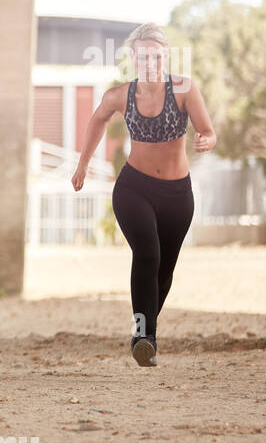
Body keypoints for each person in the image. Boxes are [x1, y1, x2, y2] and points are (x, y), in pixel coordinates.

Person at [72, 22, 217, 366]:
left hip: (177, 194)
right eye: (143, 54)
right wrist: (82, 165)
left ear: (165, 56)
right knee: (147, 254)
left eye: (157, 54)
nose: (150, 60)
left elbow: (209, 131)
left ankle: (146, 331)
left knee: (164, 270)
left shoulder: (183, 89)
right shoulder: (120, 94)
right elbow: (97, 121)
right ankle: (144, 335)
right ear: (134, 58)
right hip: (134, 188)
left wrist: (206, 140)